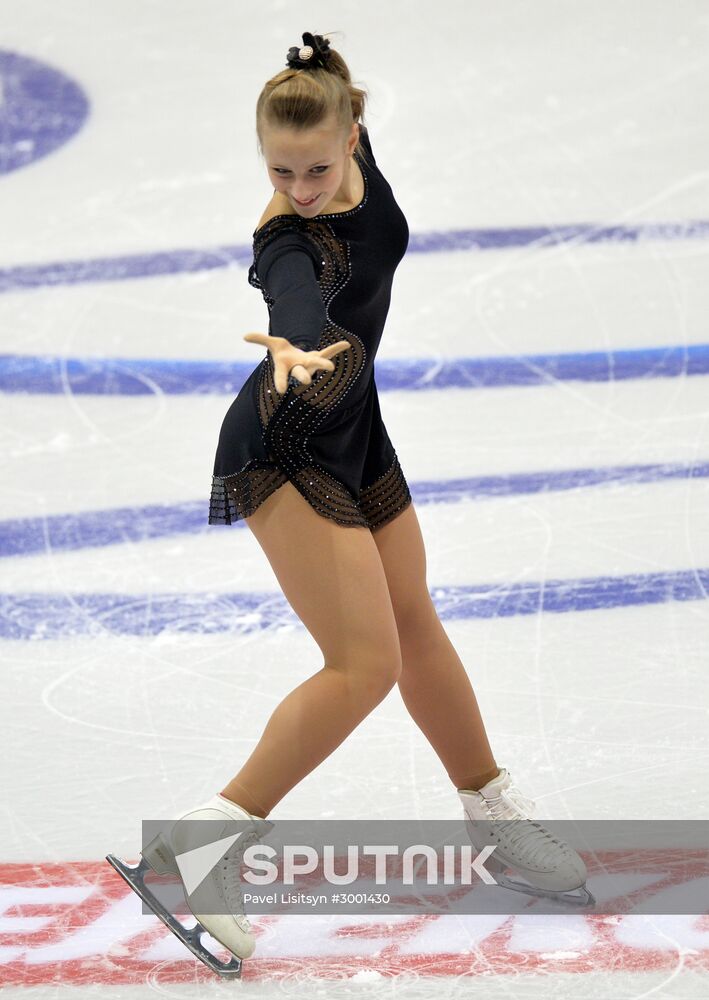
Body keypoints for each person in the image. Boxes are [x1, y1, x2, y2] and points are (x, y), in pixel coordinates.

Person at [106, 30, 592, 979]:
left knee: (413, 622)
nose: (299, 187)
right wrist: (289, 342)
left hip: (354, 431)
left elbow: (338, 120)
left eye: (316, 166)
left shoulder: (353, 152)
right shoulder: (291, 238)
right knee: (363, 663)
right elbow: (292, 292)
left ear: (354, 129)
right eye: (280, 170)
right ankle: (208, 842)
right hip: (285, 442)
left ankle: (487, 805)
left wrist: (331, 84)